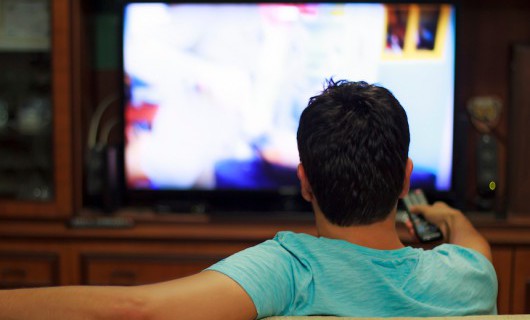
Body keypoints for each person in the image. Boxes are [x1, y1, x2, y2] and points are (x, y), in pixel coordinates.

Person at [0, 79, 497, 319]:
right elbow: (474, 243)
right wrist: (446, 216)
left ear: (305, 182)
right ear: (405, 179)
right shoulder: (468, 275)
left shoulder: (288, 271)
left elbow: (136, 308)